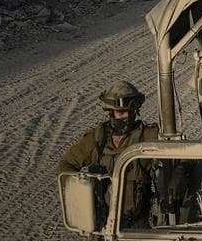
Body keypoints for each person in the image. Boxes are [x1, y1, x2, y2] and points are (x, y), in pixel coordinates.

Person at [57, 81, 160, 227]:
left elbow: (177, 157)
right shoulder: (97, 139)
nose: (126, 117)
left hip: (136, 228)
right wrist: (78, 193)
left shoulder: (148, 137)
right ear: (110, 112)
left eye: (130, 112)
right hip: (101, 227)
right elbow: (66, 165)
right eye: (121, 112)